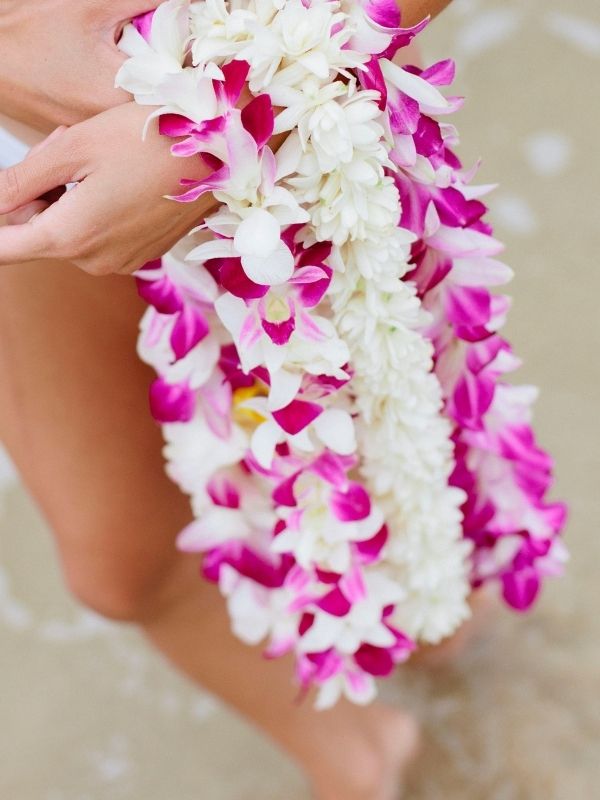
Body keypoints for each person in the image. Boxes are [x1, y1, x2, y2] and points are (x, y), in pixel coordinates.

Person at [0, 2, 456, 797]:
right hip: (21, 126)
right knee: (123, 565)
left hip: (260, 55)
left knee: (381, 431)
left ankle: (456, 652)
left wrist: (233, 121)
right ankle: (370, 752)